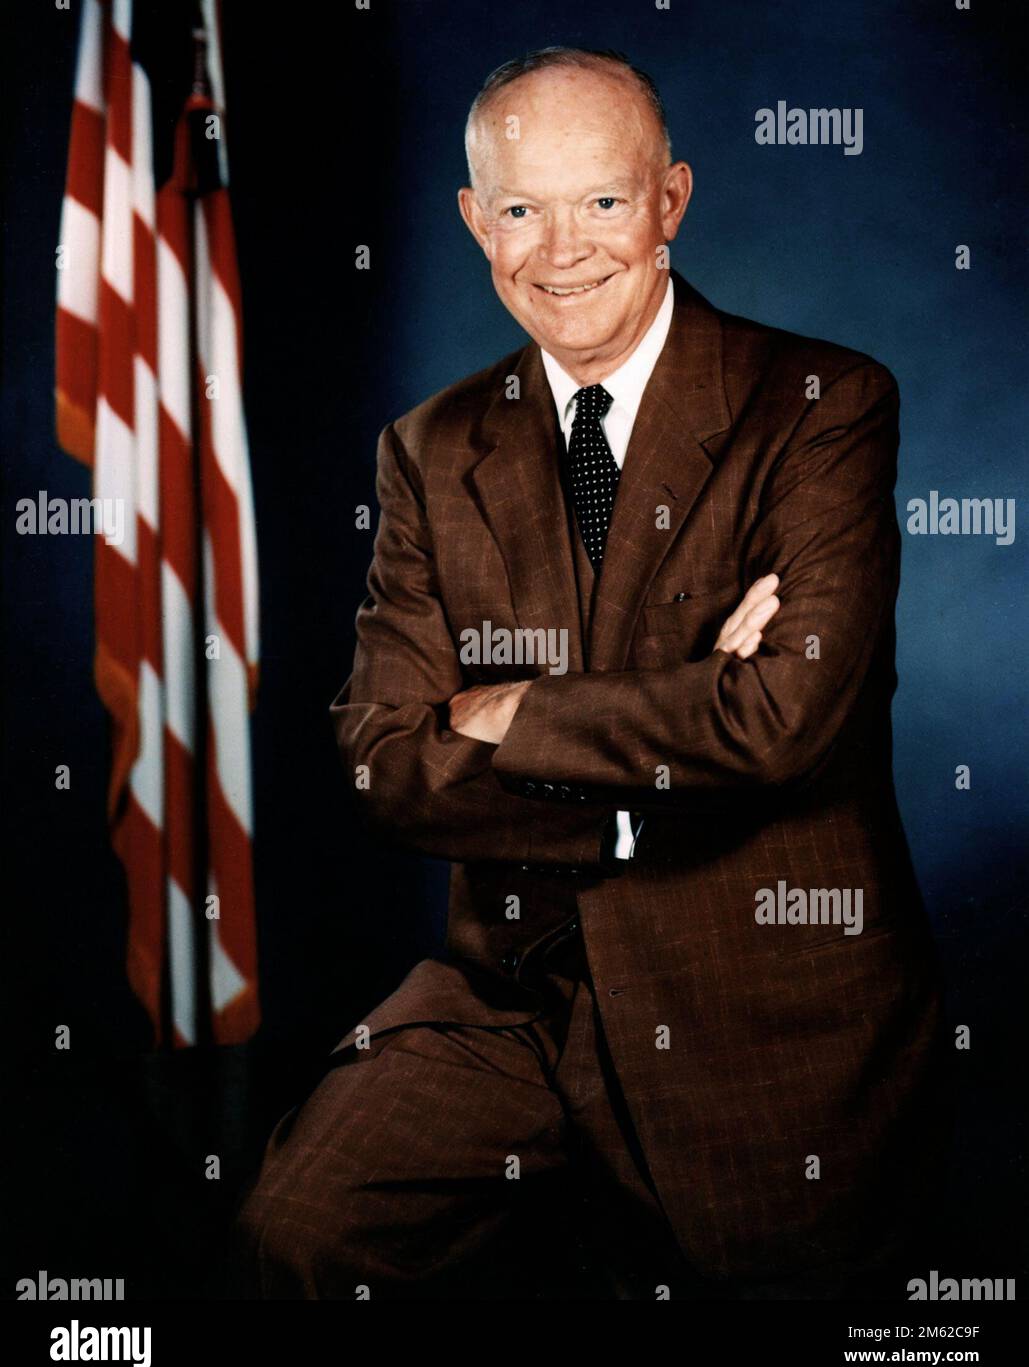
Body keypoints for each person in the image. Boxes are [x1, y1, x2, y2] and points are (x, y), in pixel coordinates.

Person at [233, 46, 948, 1300]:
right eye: (521, 209)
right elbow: (381, 761)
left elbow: (783, 719)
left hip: (761, 1000)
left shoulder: (822, 402)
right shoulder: (427, 448)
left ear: (671, 199)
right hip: (517, 993)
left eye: (602, 203)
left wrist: (508, 712)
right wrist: (678, 720)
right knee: (296, 1226)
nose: (562, 250)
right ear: (473, 219)